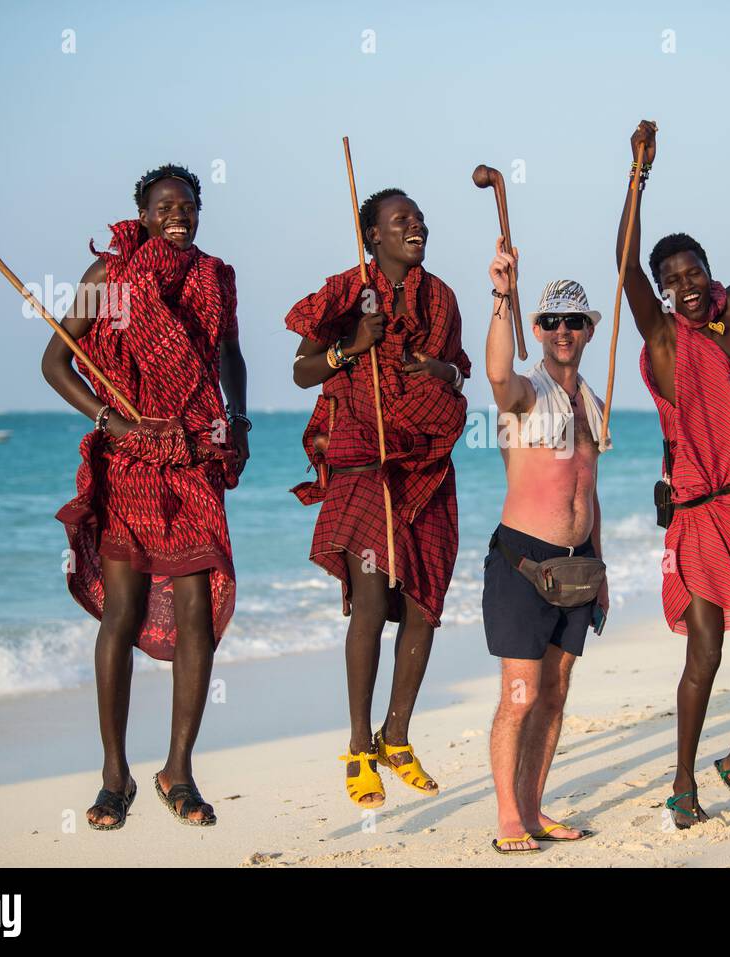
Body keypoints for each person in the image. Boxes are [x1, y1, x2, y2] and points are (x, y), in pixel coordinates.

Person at [44, 164, 249, 830]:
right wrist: (109, 420)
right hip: (128, 456)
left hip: (193, 455)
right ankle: (114, 777)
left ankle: (178, 770)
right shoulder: (108, 280)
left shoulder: (215, 276)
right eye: (164, 206)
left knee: (197, 611)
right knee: (122, 614)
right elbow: (54, 361)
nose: (177, 215)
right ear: (142, 209)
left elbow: (230, 356)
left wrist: (238, 418)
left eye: (187, 205)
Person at [617, 121, 730, 827]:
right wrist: (638, 175)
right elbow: (625, 265)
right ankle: (684, 782)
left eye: (694, 274)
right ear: (662, 294)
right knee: (705, 649)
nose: (686, 287)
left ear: (708, 273)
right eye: (673, 281)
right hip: (697, 514)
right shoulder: (666, 340)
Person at [286, 188, 470, 809]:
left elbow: (457, 369)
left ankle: (398, 735)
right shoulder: (346, 292)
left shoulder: (442, 297)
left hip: (428, 463)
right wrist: (351, 346)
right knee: (370, 599)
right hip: (365, 461)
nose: (415, 226)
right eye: (400, 221)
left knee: (424, 602)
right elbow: (303, 368)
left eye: (418, 218)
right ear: (373, 237)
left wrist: (443, 374)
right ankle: (359, 745)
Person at [482, 242, 609, 854]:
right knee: (521, 693)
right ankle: (508, 814)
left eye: (574, 321)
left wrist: (602, 567)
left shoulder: (593, 402)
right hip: (523, 562)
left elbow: (591, 490)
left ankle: (533, 807)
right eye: (552, 320)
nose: (563, 330)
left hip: (579, 566)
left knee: (556, 693)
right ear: (538, 328)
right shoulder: (526, 395)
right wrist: (502, 296)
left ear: (589, 330)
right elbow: (497, 373)